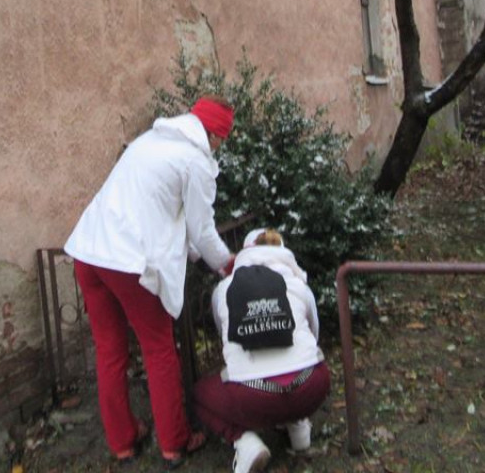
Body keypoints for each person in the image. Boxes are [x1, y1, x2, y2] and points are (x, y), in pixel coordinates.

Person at [64, 96, 236, 466]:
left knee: (110, 350)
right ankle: (175, 440)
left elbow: (161, 211)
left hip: (89, 251)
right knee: (158, 348)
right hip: (127, 263)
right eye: (223, 138)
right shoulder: (196, 162)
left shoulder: (149, 141)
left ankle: (123, 440)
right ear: (215, 134)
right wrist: (225, 263)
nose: (222, 145)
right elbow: (202, 230)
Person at [193, 227, 331, 473]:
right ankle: (298, 424)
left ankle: (244, 441)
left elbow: (223, 333)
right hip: (311, 385)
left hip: (252, 397)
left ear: (245, 253)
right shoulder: (299, 285)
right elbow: (314, 334)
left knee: (199, 395)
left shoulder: (224, 290)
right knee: (299, 362)